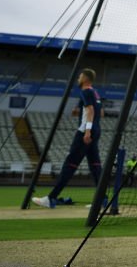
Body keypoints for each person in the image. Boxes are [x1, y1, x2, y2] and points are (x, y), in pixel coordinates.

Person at [32, 69, 104, 208]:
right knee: (95, 166)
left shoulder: (86, 91)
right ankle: (102, 200)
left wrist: (87, 130)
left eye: (80, 76)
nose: (78, 78)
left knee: (70, 164)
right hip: (96, 130)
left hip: (85, 132)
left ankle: (51, 198)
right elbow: (99, 111)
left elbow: (91, 111)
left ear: (85, 78)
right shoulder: (95, 93)